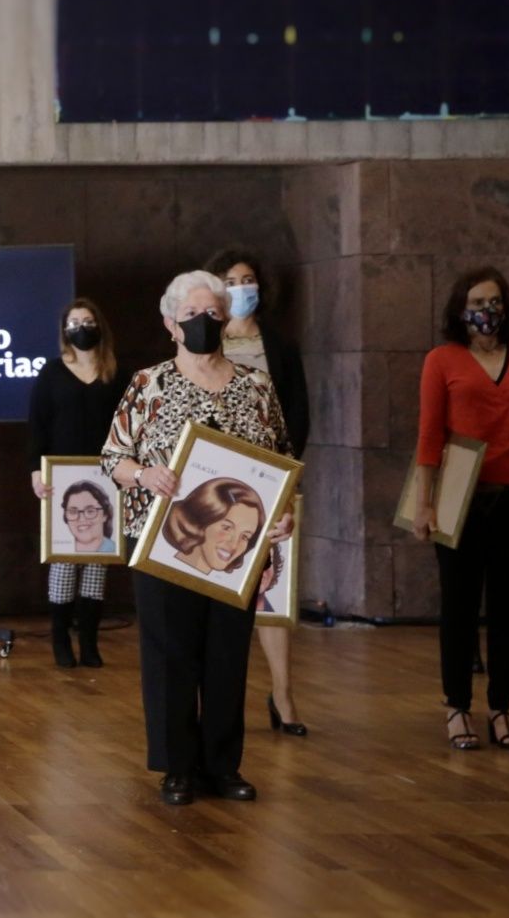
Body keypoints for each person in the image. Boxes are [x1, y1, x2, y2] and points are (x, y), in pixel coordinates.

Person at [102, 270, 294, 806]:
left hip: (240, 550)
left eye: (213, 314)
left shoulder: (257, 386)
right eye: (192, 316)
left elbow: (280, 461)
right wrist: (145, 476)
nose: (203, 324)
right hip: (163, 543)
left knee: (227, 656)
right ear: (170, 324)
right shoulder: (148, 384)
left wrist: (283, 516)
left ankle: (223, 765)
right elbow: (113, 458)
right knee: (170, 655)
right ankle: (177, 766)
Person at [411, 266, 509, 752]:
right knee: (460, 606)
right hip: (459, 497)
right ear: (459, 310)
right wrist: (424, 504)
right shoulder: (441, 360)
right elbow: (430, 435)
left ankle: (502, 709)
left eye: (494, 302)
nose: (486, 311)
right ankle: (457, 707)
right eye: (477, 303)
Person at [207, 248, 312, 735]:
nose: (241, 288)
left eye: (248, 280)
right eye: (231, 280)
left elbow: (298, 414)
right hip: (216, 481)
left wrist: (286, 474)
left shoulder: (281, 347)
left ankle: (284, 696)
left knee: (273, 594)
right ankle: (217, 701)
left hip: (272, 479)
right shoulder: (206, 342)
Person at [27, 298, 125, 669]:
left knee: (97, 561)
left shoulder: (116, 372)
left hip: (106, 477)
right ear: (64, 331)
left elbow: (128, 426)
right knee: (65, 560)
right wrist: (36, 469)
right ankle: (59, 641)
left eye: (87, 320)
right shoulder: (52, 372)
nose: (81, 328)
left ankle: (89, 641)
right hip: (61, 479)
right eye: (74, 322)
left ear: (99, 325)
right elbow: (37, 425)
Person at [161, 478, 266, 575]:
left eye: (245, 537)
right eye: (226, 528)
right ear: (200, 520)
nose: (234, 545)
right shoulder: (157, 567)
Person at [60, 481, 118, 555]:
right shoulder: (58, 551)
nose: (81, 519)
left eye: (90, 511)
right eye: (73, 512)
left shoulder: (117, 552)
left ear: (105, 515)